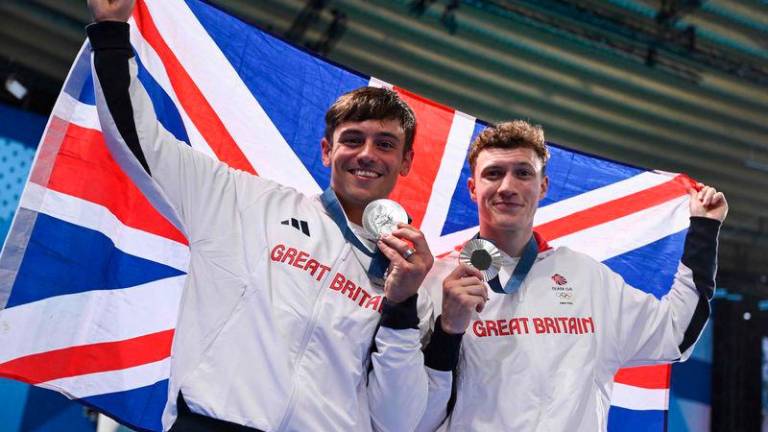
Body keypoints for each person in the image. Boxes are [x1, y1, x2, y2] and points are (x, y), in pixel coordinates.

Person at [86, 1, 434, 431]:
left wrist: (402, 306)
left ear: (405, 162)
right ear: (327, 151)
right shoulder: (243, 201)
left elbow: (397, 421)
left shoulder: (411, 275)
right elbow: (143, 144)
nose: (366, 154)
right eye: (353, 139)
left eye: (385, 144)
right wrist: (111, 32)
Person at [417, 120, 727, 431]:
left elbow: (676, 333)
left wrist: (704, 230)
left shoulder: (587, 279)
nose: (508, 187)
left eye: (523, 173)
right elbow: (411, 411)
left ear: (543, 186)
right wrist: (447, 330)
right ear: (473, 188)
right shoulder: (439, 283)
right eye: (493, 173)